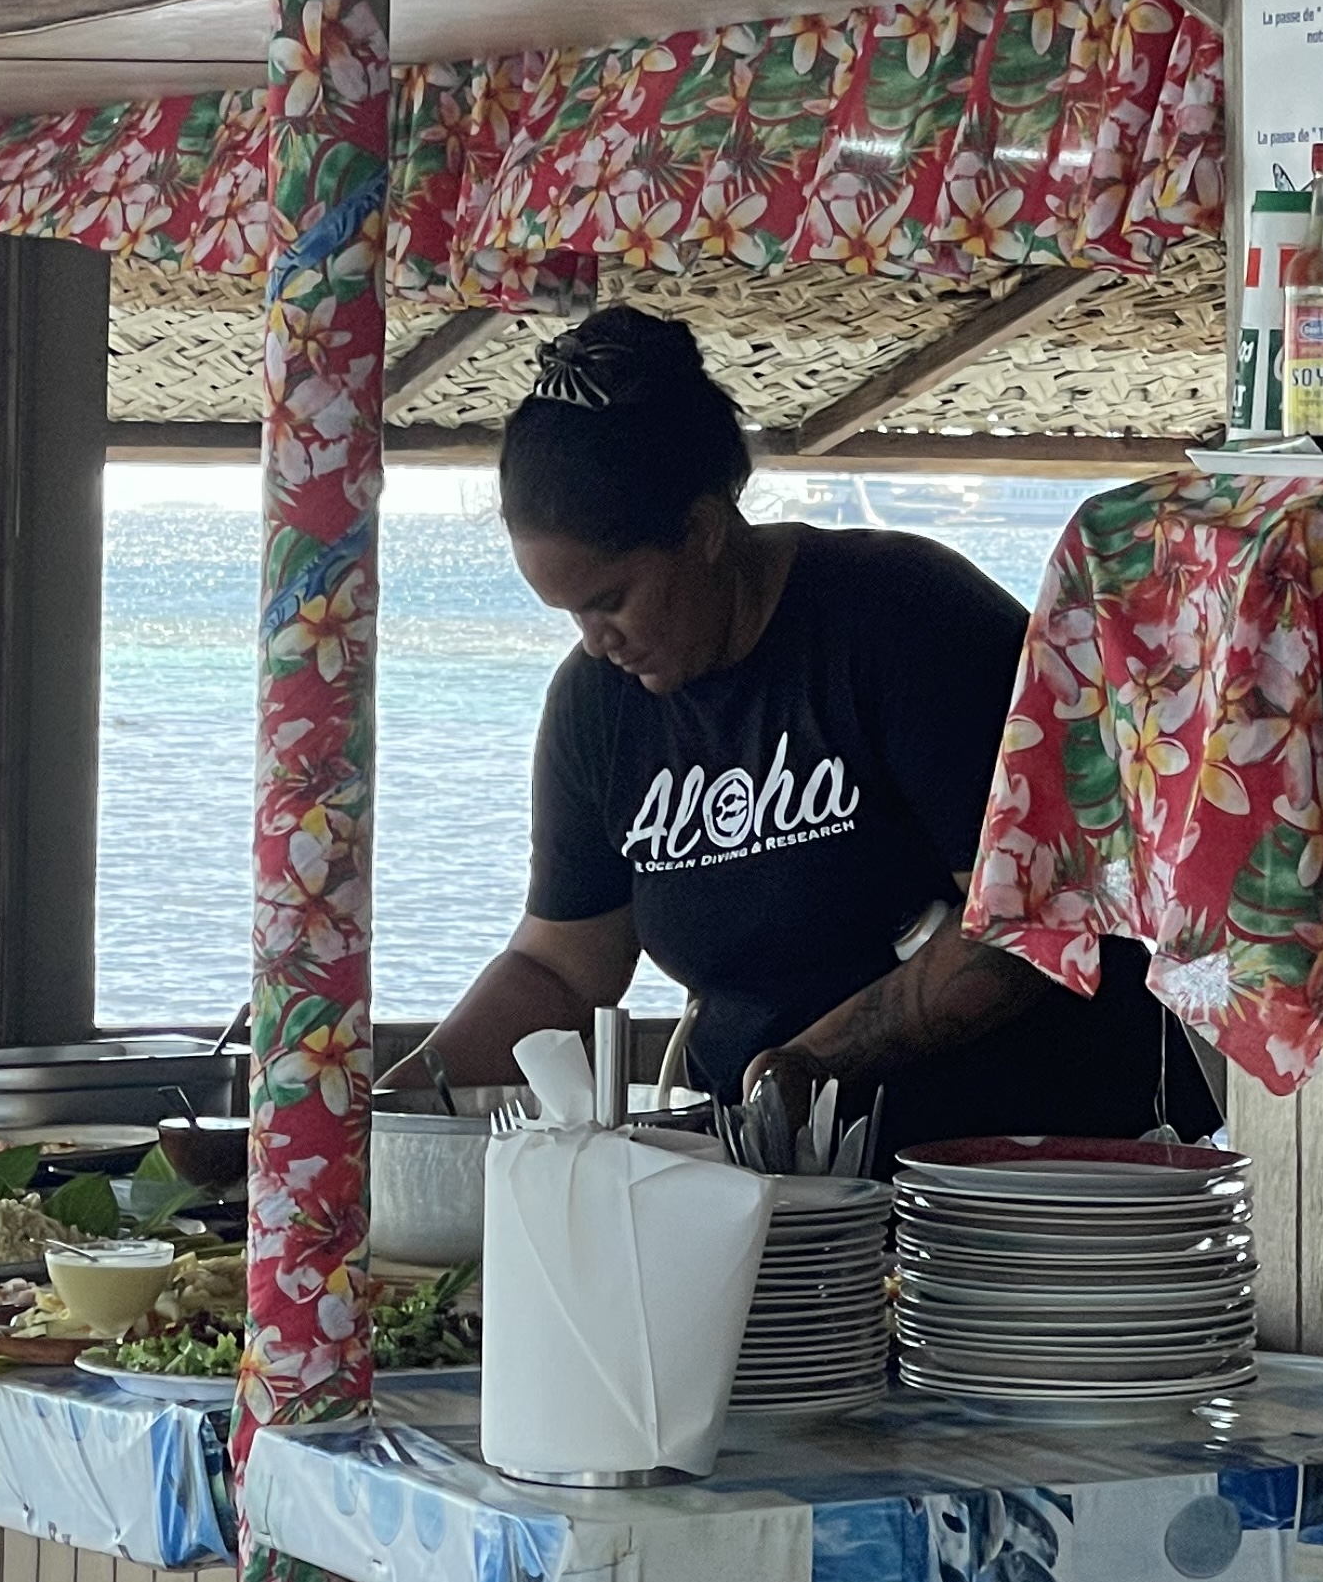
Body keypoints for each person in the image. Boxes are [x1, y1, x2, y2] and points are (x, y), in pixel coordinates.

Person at [422, 305, 1215, 1152]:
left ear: (702, 530)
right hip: (778, 1168)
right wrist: (390, 1103)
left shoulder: (905, 620)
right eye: (570, 613)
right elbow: (561, 967)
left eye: (609, 600)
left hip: (1029, 1161)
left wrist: (812, 1062)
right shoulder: (597, 707)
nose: (594, 641)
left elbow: (1028, 926)